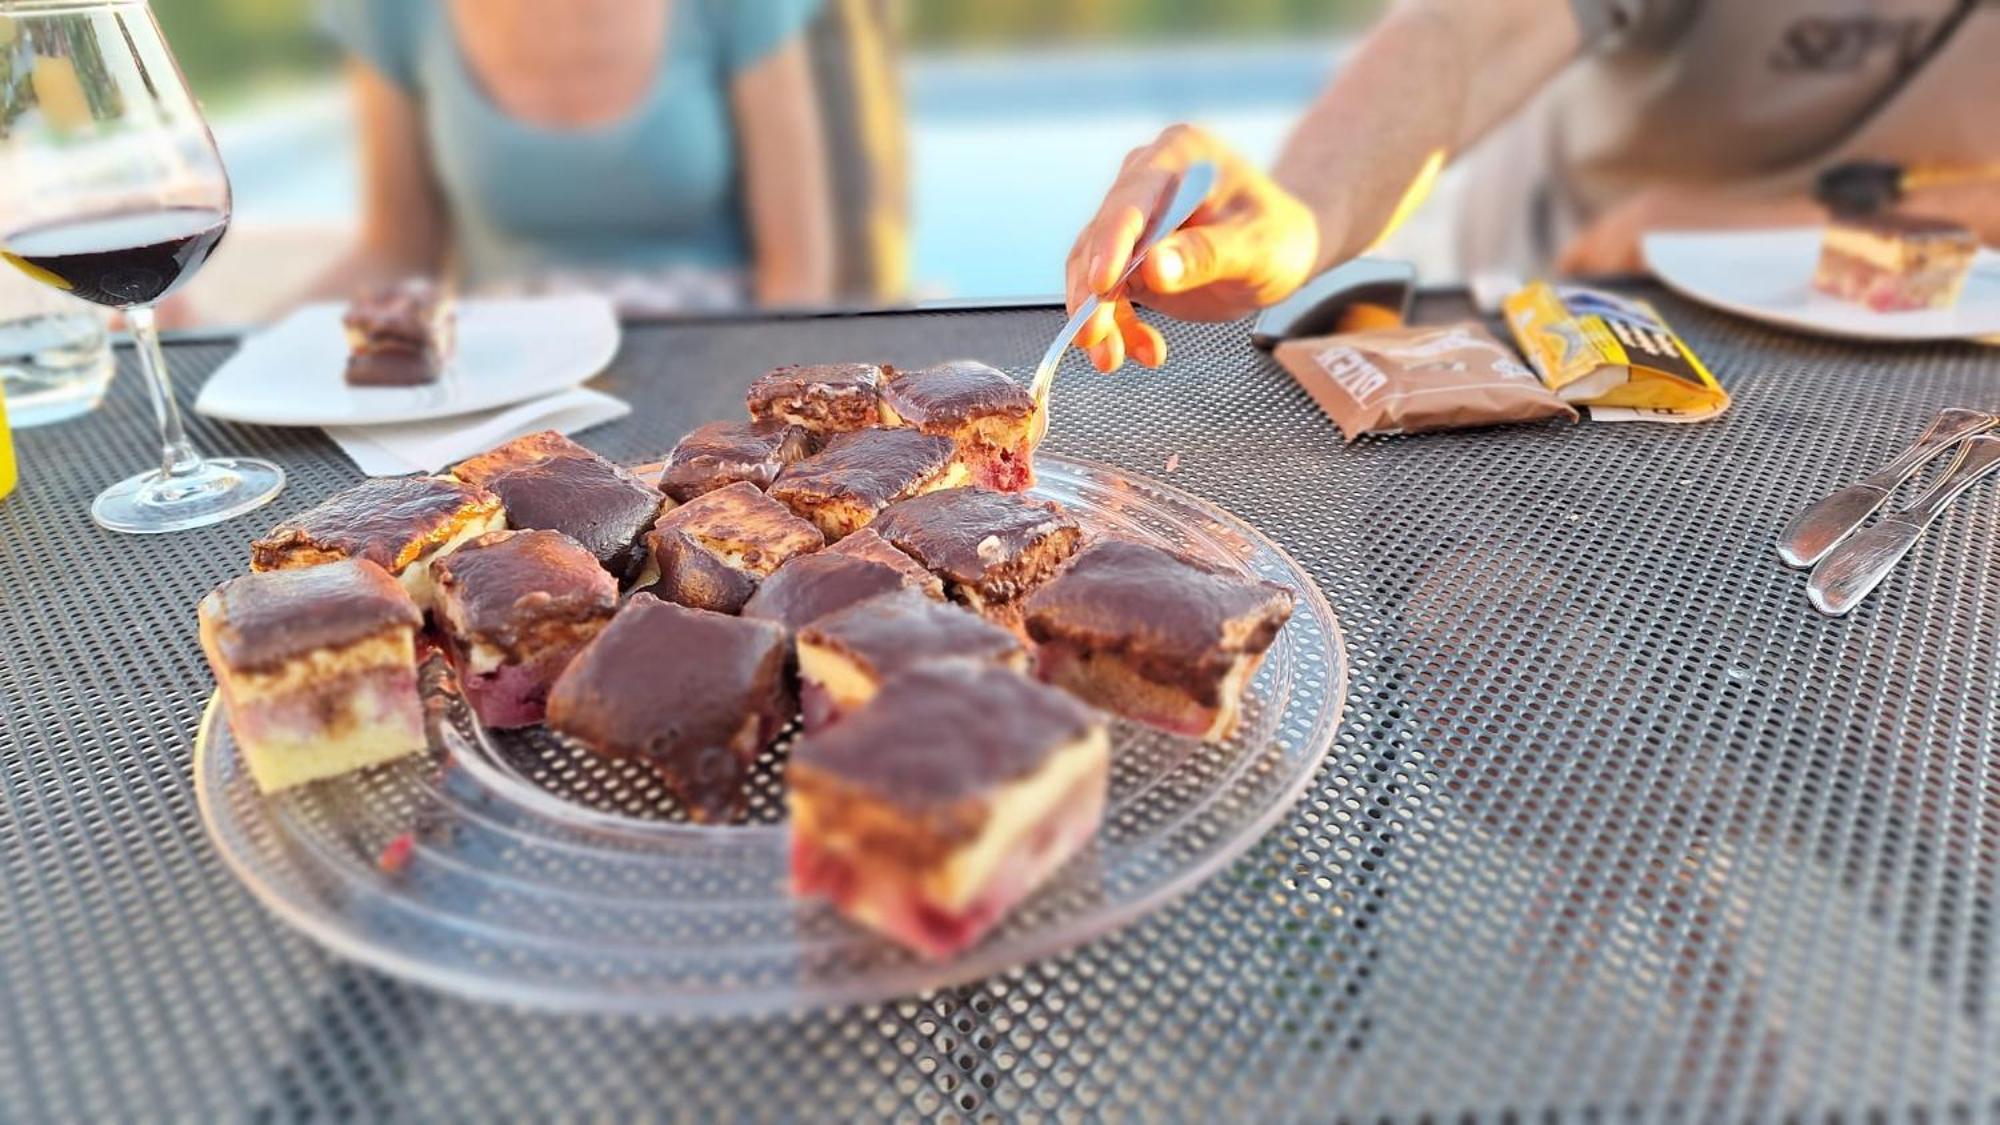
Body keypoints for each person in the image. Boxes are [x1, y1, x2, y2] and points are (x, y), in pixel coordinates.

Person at [1065, 0, 2000, 372]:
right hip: (1592, 338)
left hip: (1948, 372)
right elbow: (1467, 40)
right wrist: (1310, 210)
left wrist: (1761, 225)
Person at [314, 0, 835, 310]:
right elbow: (397, 253)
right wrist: (248, 350)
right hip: (503, 384)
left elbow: (798, 268)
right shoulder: (392, 11)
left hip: (709, 368)